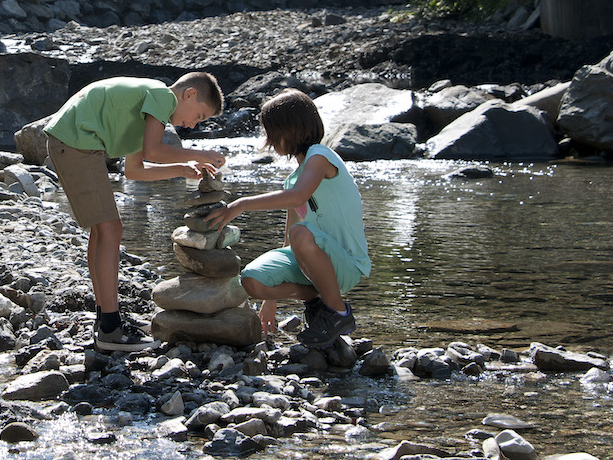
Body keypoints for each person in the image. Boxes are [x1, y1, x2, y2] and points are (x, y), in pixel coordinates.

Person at [44, 72, 227, 351]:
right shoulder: (162, 95)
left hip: (74, 141)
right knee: (110, 229)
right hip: (76, 143)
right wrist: (198, 154)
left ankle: (105, 317)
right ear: (189, 94)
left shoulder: (143, 110)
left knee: (103, 229)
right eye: (199, 116)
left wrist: (180, 169)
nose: (192, 124)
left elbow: (135, 170)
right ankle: (110, 328)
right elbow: (153, 151)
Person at [205, 88, 370, 349]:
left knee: (301, 235)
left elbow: (298, 198)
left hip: (347, 264)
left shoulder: (320, 156)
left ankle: (338, 313)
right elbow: (290, 237)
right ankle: (318, 302)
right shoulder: (293, 179)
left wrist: (240, 205)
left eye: (271, 133)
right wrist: (271, 300)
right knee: (252, 281)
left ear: (290, 130)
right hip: (314, 263)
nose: (269, 141)